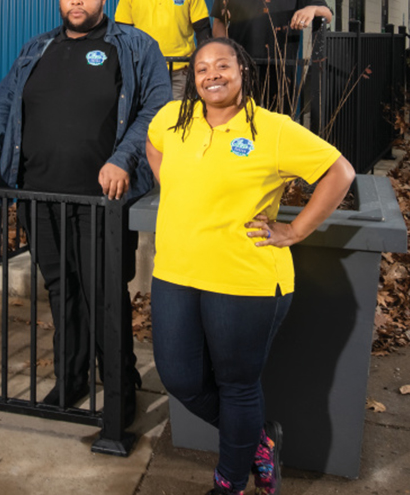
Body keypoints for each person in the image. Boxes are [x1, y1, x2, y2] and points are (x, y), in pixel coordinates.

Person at [0, 0, 170, 420]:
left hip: (102, 201)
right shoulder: (38, 48)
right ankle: (71, 380)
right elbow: (2, 106)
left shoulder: (134, 47)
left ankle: (118, 389)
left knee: (105, 293)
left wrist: (123, 159)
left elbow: (156, 108)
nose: (77, 1)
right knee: (62, 290)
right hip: (40, 196)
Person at [146, 37, 354, 495]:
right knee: (179, 377)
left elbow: (340, 173)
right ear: (192, 79)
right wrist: (175, 189)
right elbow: (154, 146)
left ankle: (231, 481)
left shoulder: (272, 129)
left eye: (223, 65)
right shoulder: (172, 119)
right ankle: (260, 440)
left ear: (243, 71)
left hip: (245, 277)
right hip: (176, 271)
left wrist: (294, 231)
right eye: (202, 68)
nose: (212, 74)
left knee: (237, 385)